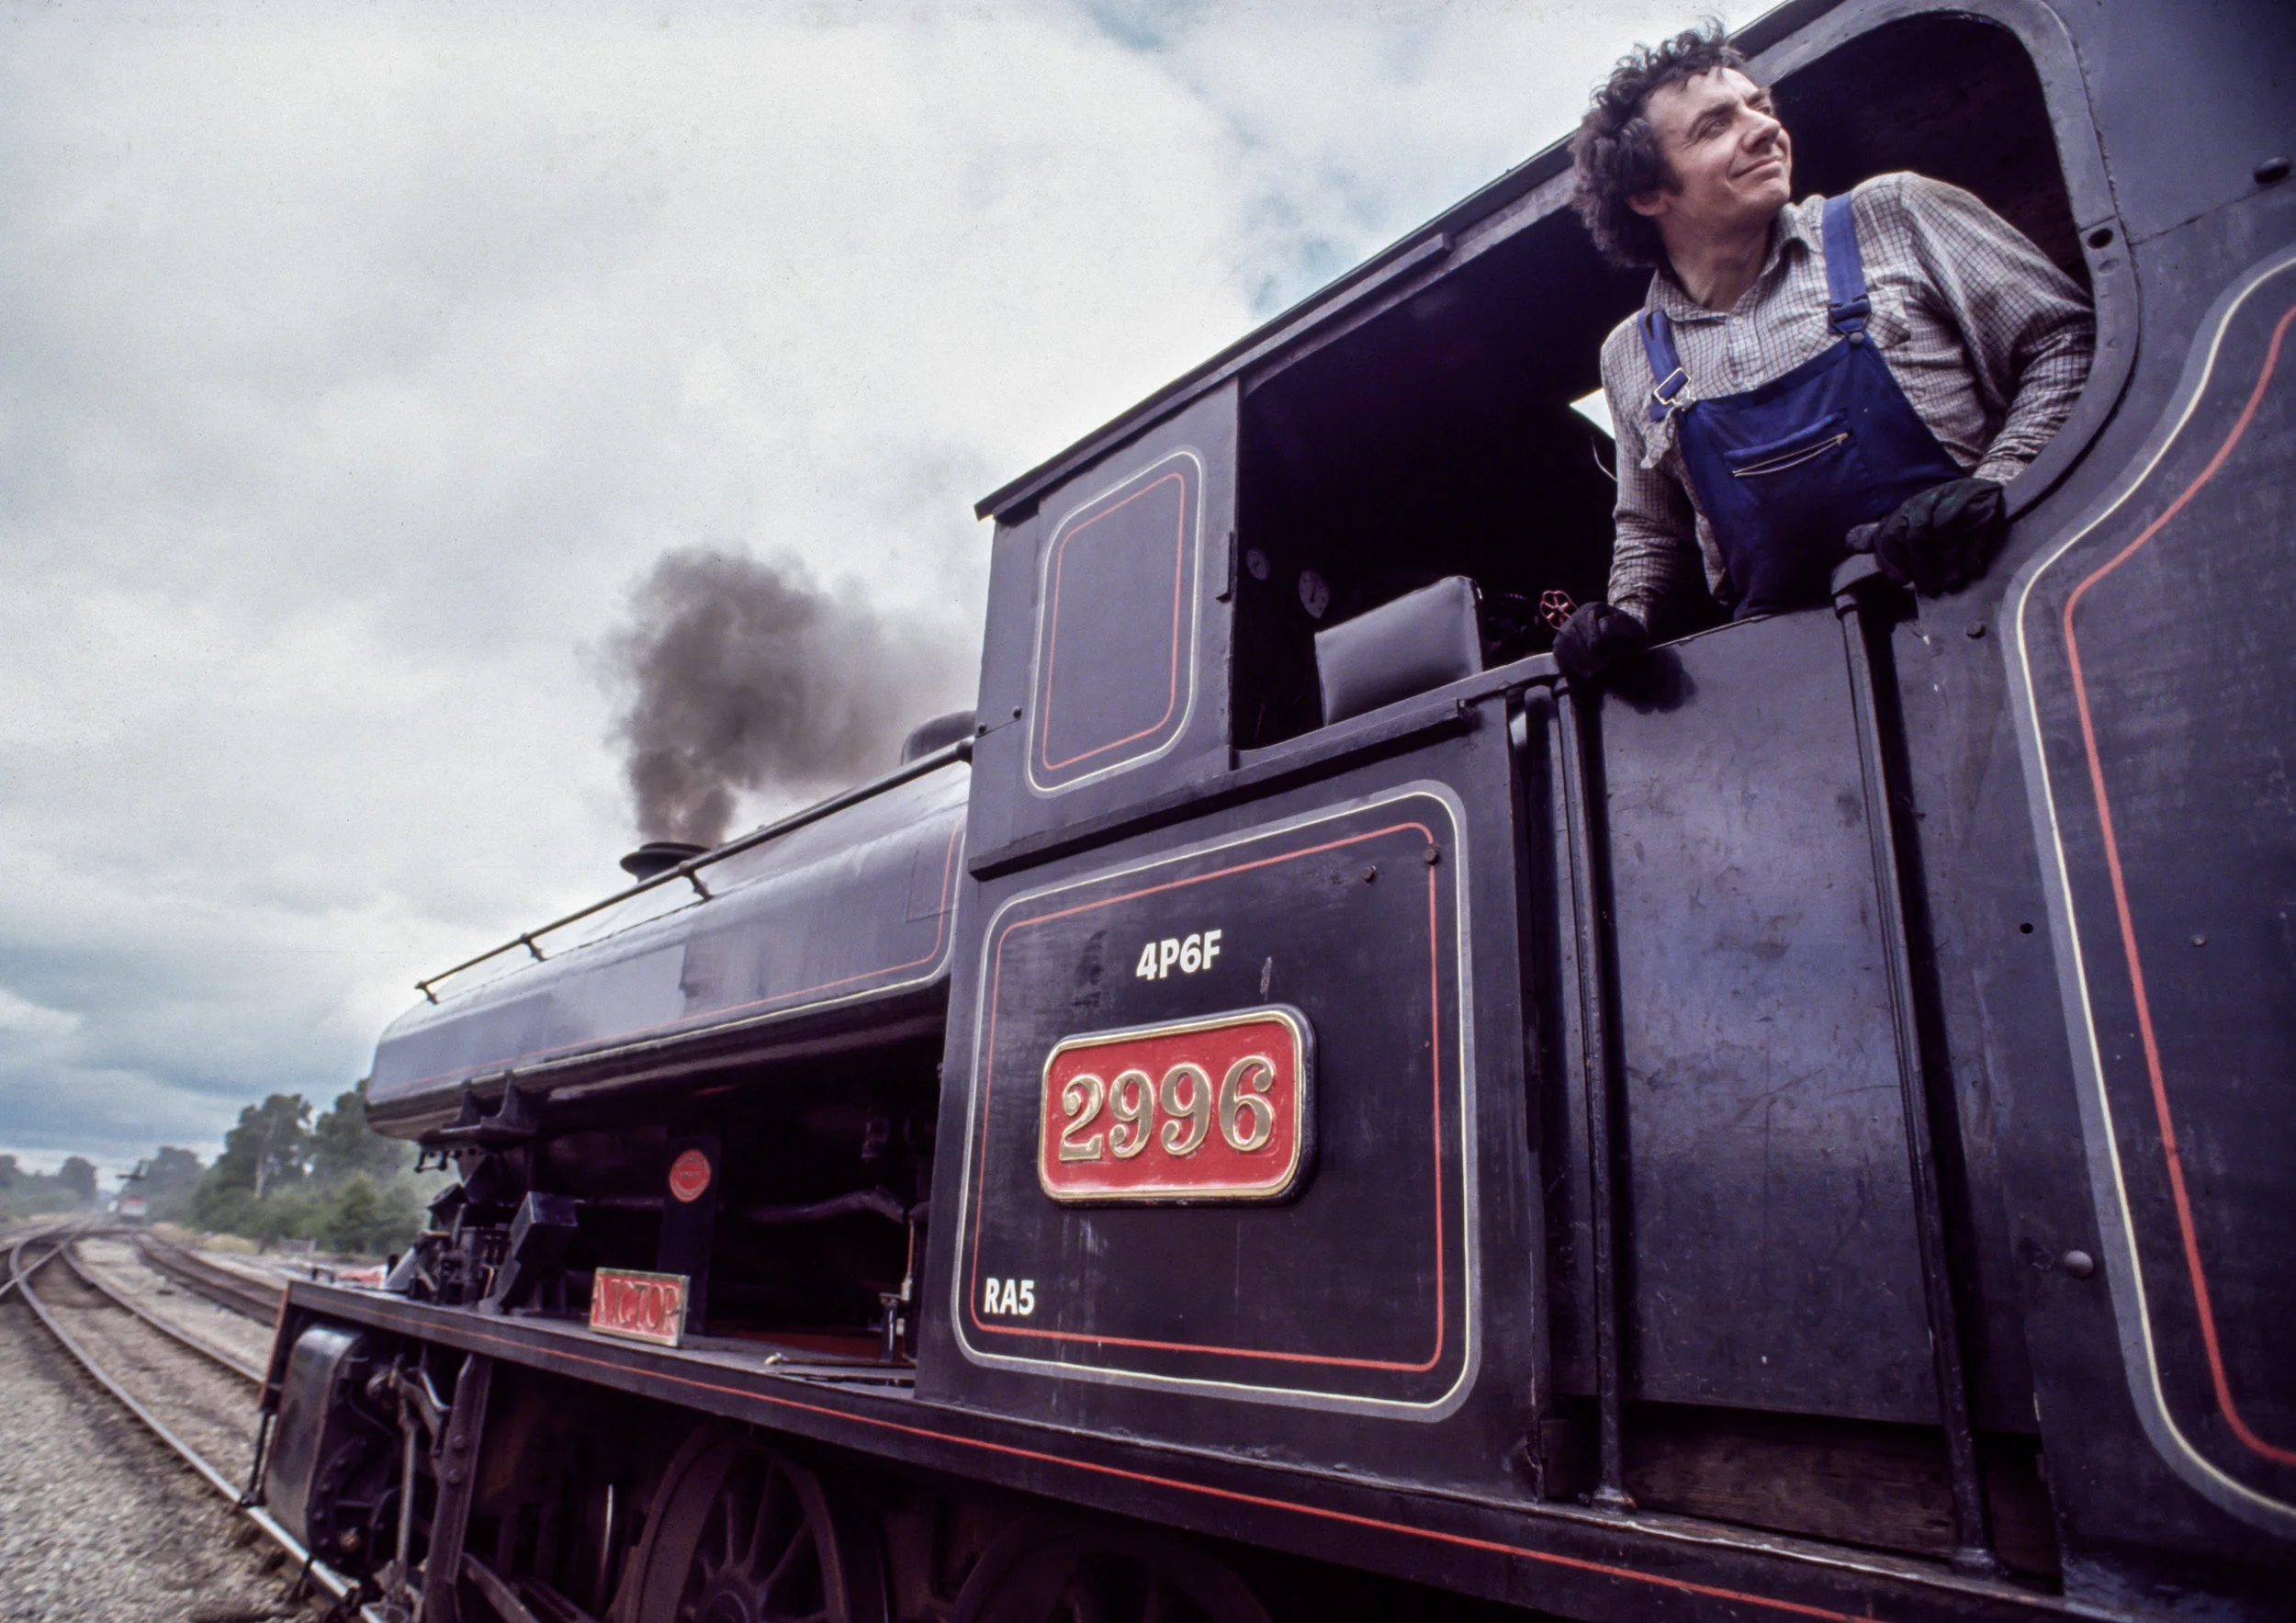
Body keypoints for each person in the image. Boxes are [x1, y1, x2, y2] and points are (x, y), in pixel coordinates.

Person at [1552, 24, 2095, 679]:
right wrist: (1622, 619)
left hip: (2004, 619)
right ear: (1648, 194)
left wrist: (1995, 485)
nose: (1763, 129)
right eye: (1715, 126)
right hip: (1805, 695)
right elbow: (1651, 533)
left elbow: (2067, 341)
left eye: (1761, 107)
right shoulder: (1631, 354)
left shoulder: (1895, 214)